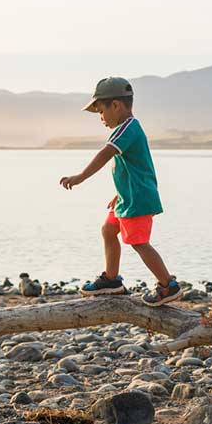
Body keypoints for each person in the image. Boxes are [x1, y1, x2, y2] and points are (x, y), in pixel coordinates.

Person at [59, 76, 182, 306]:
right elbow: (133, 167)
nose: (101, 118)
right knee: (108, 229)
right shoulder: (126, 129)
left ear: (115, 105)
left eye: (101, 112)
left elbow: (106, 154)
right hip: (128, 197)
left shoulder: (128, 128)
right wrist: (119, 192)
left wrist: (80, 177)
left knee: (138, 242)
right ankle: (112, 280)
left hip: (138, 199)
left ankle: (168, 285)